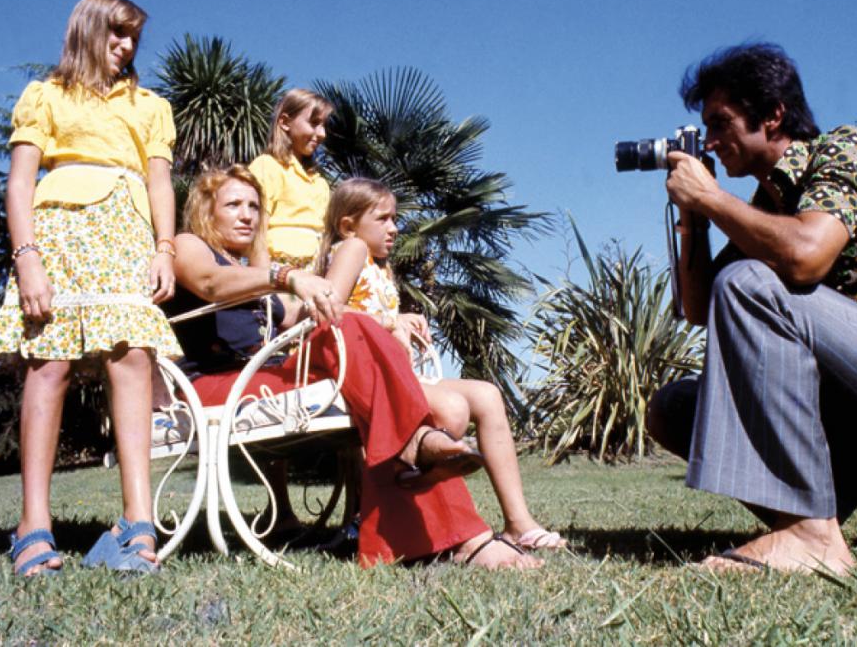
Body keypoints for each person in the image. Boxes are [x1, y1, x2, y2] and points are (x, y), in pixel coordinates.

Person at [646, 43, 857, 574]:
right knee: (673, 409)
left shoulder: (846, 149)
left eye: (721, 122)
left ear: (773, 113)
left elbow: (804, 257)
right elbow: (697, 307)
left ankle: (809, 534)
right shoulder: (764, 208)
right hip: (854, 401)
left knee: (750, 279)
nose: (710, 140)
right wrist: (695, 217)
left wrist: (713, 198)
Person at [167, 165, 542, 569]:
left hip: (265, 376)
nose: (248, 215)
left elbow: (304, 314)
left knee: (349, 324)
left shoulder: (246, 269)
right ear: (207, 208)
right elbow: (207, 283)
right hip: (213, 384)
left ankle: (427, 495)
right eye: (234, 205)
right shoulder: (189, 244)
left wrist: (386, 319)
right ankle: (454, 519)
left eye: (255, 206)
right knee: (348, 329)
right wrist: (288, 276)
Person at [0, 0, 182, 576]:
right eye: (116, 34)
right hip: (61, 236)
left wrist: (164, 248)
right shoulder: (45, 96)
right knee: (51, 362)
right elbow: (19, 184)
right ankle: (33, 525)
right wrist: (27, 260)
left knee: (134, 358)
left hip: (127, 236)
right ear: (87, 31)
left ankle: (136, 524)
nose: (125, 48)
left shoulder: (150, 105)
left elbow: (160, 183)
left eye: (133, 39)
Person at [314, 177, 567, 551]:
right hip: (364, 378)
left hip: (397, 374)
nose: (394, 228)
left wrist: (401, 319)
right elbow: (326, 306)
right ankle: (416, 502)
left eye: (395, 218)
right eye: (383, 218)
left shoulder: (379, 266)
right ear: (348, 225)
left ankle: (519, 522)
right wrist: (389, 321)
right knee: (452, 409)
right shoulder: (350, 248)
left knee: (487, 394)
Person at [248, 89, 334, 269]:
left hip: (314, 274)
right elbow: (257, 232)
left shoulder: (320, 183)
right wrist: (265, 286)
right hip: (278, 270)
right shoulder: (267, 166)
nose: (322, 133)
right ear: (285, 122)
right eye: (314, 123)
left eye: (324, 125)